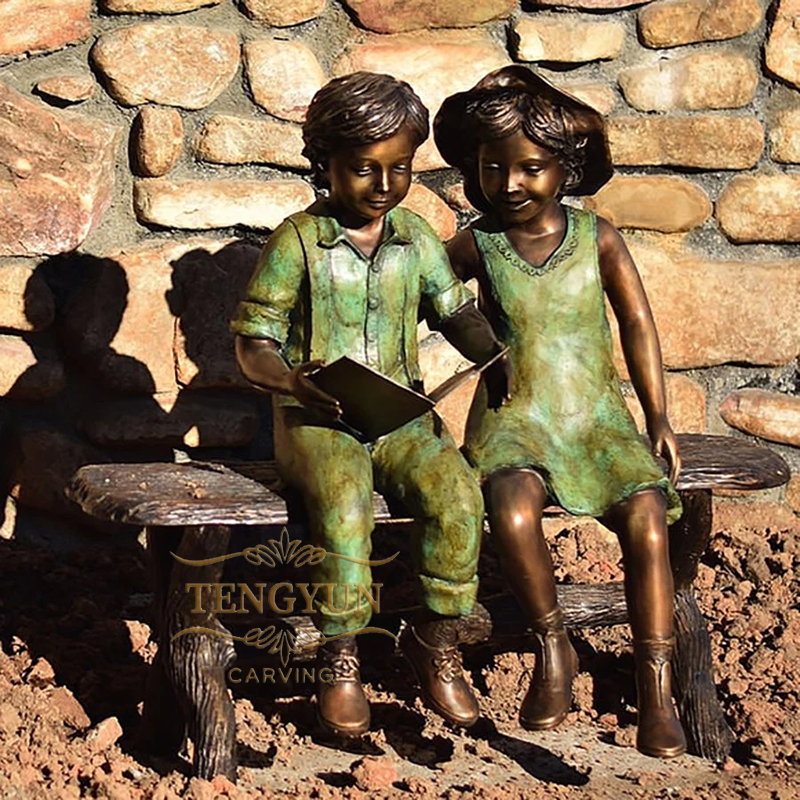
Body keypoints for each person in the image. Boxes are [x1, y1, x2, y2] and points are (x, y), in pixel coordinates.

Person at [231, 72, 510, 739]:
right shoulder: (297, 241)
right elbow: (252, 343)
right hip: (318, 418)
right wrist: (297, 384)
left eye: (400, 168)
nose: (383, 186)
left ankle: (436, 641)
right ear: (324, 163)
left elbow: (455, 312)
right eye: (363, 169)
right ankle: (340, 655)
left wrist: (497, 354)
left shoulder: (414, 237)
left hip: (400, 414)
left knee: (456, 495)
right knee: (345, 498)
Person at [434, 65, 687, 758]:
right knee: (511, 511)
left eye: (530, 167)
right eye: (491, 167)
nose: (509, 183)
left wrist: (657, 417)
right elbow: (420, 288)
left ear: (566, 168)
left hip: (593, 416)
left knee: (648, 520)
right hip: (515, 418)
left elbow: (638, 325)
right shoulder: (479, 244)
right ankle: (553, 648)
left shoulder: (597, 237)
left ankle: (657, 688)